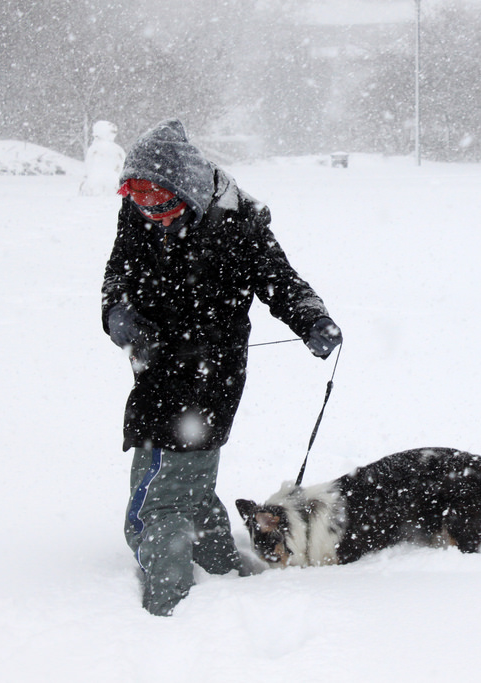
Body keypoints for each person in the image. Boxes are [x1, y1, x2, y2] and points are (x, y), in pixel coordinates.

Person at [101, 118, 342, 616]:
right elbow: (117, 273)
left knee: (161, 498)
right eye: (143, 203)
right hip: (155, 364)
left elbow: (281, 280)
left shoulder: (239, 222)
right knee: (185, 480)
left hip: (213, 371)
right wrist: (117, 312)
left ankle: (166, 608)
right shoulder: (138, 209)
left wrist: (313, 319)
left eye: (163, 205)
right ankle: (224, 570)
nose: (154, 215)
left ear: (187, 189)